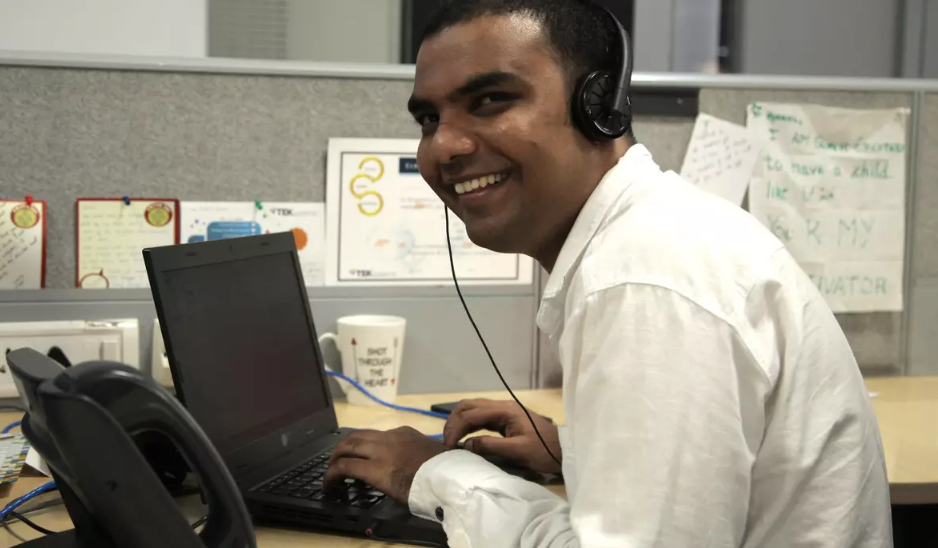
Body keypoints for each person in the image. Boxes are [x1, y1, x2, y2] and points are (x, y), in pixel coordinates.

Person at [323, 0, 894, 546]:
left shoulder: (647, 278)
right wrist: (573, 450)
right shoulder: (655, 238)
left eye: (491, 99)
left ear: (599, 107)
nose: (442, 147)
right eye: (428, 118)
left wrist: (431, 475)